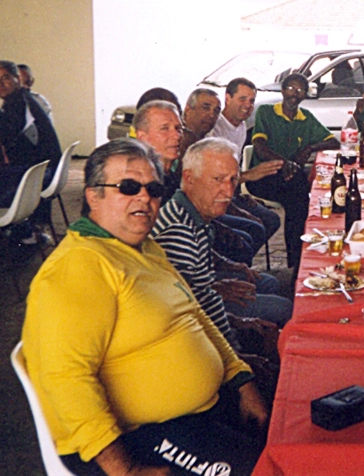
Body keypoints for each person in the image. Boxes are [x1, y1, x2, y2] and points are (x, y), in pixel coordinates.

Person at [22, 138, 268, 475]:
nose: (144, 197)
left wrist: (241, 378)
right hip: (144, 440)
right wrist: (125, 470)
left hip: (201, 413)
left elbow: (195, 317)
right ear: (94, 195)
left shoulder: (145, 247)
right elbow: (64, 379)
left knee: (297, 421)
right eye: (127, 186)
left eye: (153, 188)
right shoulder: (78, 267)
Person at [152, 137, 293, 329]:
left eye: (233, 180)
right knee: (284, 308)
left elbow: (200, 256)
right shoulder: (179, 233)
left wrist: (230, 265)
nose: (228, 191)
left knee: (267, 282)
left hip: (200, 286)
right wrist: (239, 325)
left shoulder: (189, 208)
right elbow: (189, 310)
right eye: (217, 179)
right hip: (194, 308)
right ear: (189, 178)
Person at [248, 73, 339, 268]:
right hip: (261, 176)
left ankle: (297, 261)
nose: (294, 94)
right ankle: (298, 260)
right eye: (290, 88)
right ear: (282, 90)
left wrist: (309, 148)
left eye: (300, 90)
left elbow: (334, 141)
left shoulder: (306, 118)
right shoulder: (267, 112)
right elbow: (259, 147)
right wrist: (285, 164)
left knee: (297, 195)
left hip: (289, 179)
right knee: (299, 194)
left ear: (305, 95)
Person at [207, 77, 283, 247]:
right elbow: (214, 179)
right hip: (214, 199)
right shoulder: (214, 127)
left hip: (231, 195)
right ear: (227, 98)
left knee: (272, 220)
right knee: (254, 227)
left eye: (251, 101)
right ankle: (234, 265)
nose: (248, 105)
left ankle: (241, 262)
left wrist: (239, 194)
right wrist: (250, 175)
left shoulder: (241, 127)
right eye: (242, 99)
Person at [0, 60, 61, 229]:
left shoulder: (18, 104)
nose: (0, 83)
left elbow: (6, 135)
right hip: (40, 170)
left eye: (5, 77)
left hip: (40, 175)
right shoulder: (22, 98)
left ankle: (20, 234)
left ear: (17, 79)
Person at [133, 100, 184, 202]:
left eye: (178, 128)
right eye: (165, 128)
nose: (177, 136)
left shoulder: (175, 179)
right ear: (143, 137)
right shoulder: (138, 184)